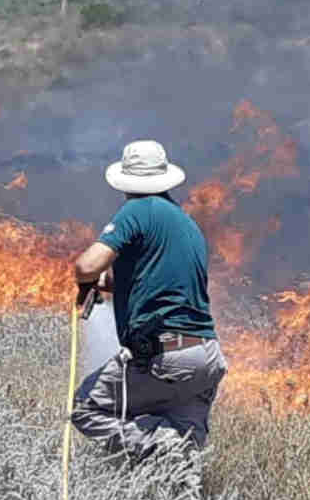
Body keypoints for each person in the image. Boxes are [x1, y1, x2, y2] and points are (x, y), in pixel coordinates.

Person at [69, 140, 228, 472]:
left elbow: (86, 266)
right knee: (182, 471)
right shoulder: (185, 224)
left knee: (86, 407)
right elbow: (158, 283)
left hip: (164, 355)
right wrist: (107, 285)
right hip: (205, 357)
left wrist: (87, 278)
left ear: (127, 183)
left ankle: (159, 444)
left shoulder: (137, 210)